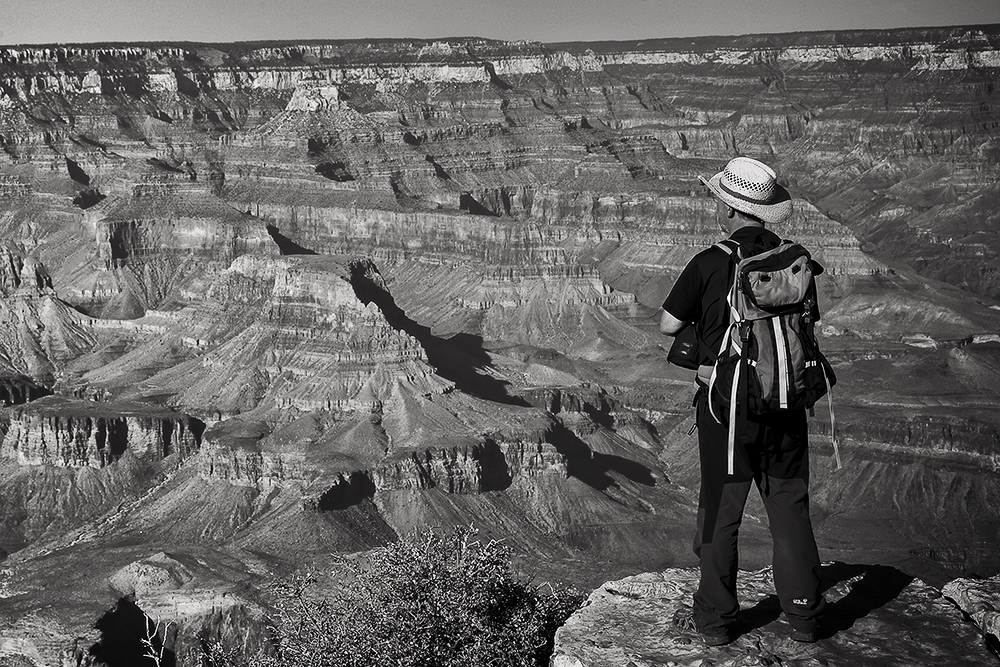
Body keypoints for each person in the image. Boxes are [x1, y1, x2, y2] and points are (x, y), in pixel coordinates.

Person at [659, 157, 826, 646]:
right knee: (789, 507)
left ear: (728, 206)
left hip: (728, 407)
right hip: (787, 400)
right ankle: (805, 616)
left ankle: (714, 620)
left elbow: (668, 324)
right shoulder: (794, 259)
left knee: (721, 511)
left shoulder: (710, 261)